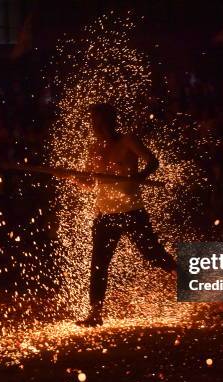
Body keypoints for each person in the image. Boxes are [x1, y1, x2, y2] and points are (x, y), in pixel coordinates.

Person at [75, 103, 176, 327]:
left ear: (110, 122)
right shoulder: (94, 149)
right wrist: (73, 178)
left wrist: (140, 176)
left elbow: (153, 161)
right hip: (105, 214)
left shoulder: (128, 141)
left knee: (154, 256)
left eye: (99, 121)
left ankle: (188, 277)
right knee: (99, 264)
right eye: (93, 122)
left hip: (131, 212)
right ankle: (95, 314)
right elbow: (90, 183)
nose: (96, 126)